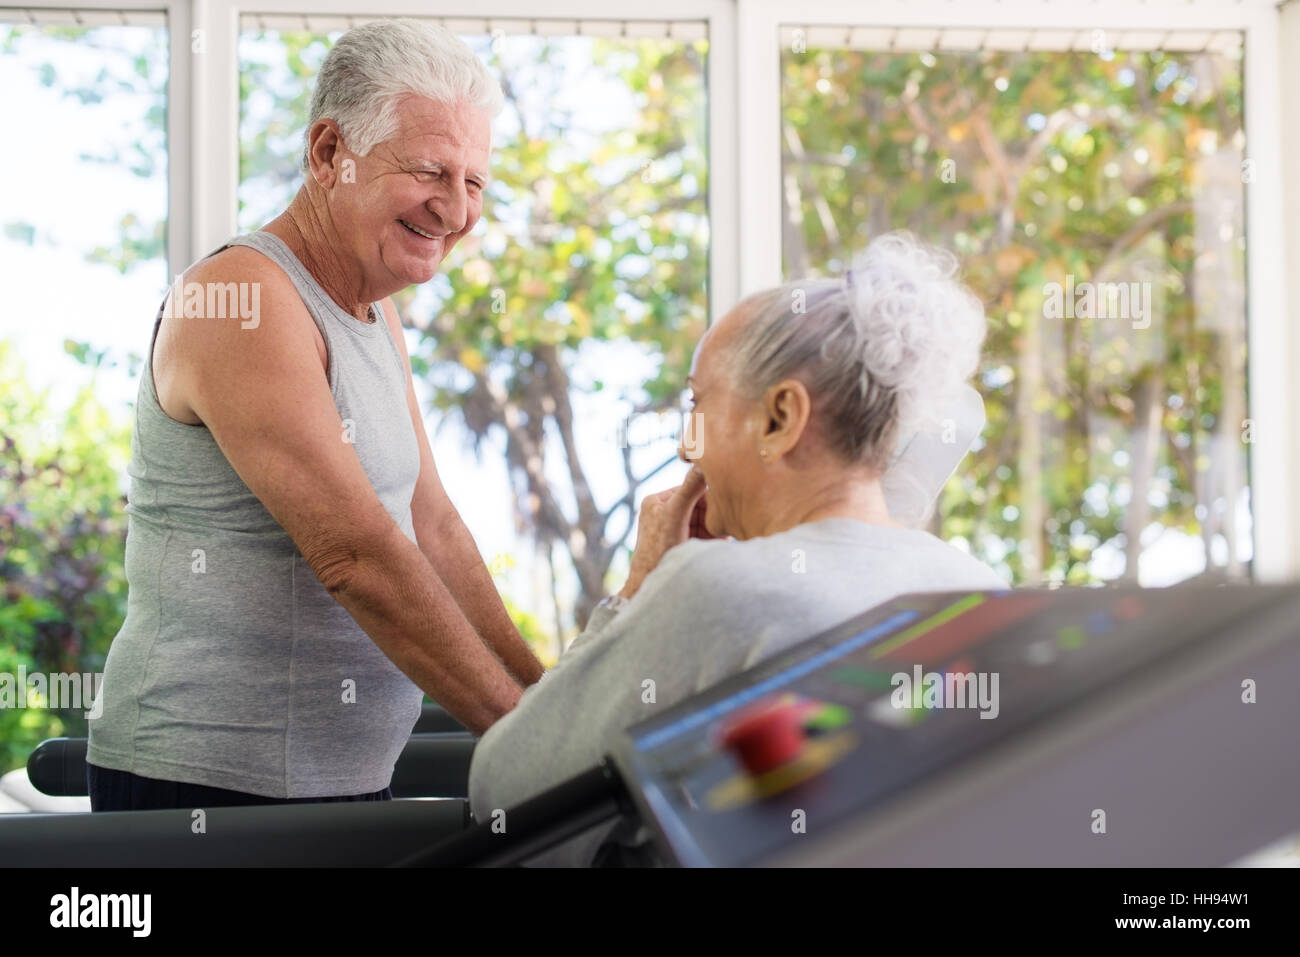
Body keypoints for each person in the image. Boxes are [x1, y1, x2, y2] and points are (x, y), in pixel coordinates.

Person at [87, 19, 543, 810]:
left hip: (341, 781)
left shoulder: (373, 311)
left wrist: (554, 706)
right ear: (331, 153)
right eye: (432, 170)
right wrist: (532, 738)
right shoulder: (241, 299)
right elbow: (355, 555)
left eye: (474, 183)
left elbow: (430, 526)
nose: (455, 209)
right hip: (206, 787)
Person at [468, 232, 1007, 864]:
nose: (686, 448)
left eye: (700, 405)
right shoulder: (979, 589)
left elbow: (502, 792)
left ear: (781, 417)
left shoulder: (719, 587)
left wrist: (639, 590)